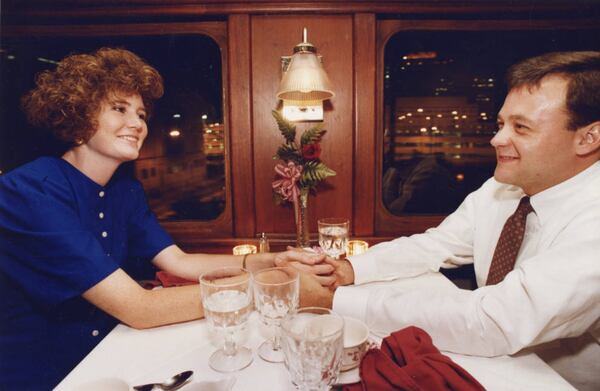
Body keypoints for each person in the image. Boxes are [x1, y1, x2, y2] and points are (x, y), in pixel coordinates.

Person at [0, 47, 329, 390]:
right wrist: (275, 288)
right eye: (119, 109)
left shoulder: (125, 190)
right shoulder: (28, 193)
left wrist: (272, 261)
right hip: (47, 374)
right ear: (78, 116)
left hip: (110, 352)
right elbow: (139, 308)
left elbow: (180, 262)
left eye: (141, 114)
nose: (137, 124)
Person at [286, 51, 600, 389]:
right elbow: (434, 246)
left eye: (521, 128)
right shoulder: (501, 189)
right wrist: (348, 270)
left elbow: (495, 322)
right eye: (500, 124)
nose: (496, 139)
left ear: (588, 138)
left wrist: (333, 300)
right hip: (488, 360)